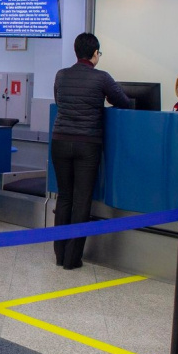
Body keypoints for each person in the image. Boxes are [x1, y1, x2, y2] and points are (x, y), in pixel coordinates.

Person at [52, 33, 133, 269]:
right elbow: (124, 102)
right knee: (82, 199)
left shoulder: (61, 75)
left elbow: (59, 100)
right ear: (95, 53)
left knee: (64, 197)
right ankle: (72, 259)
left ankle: (60, 255)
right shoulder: (102, 78)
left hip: (60, 140)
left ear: (76, 52)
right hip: (87, 143)